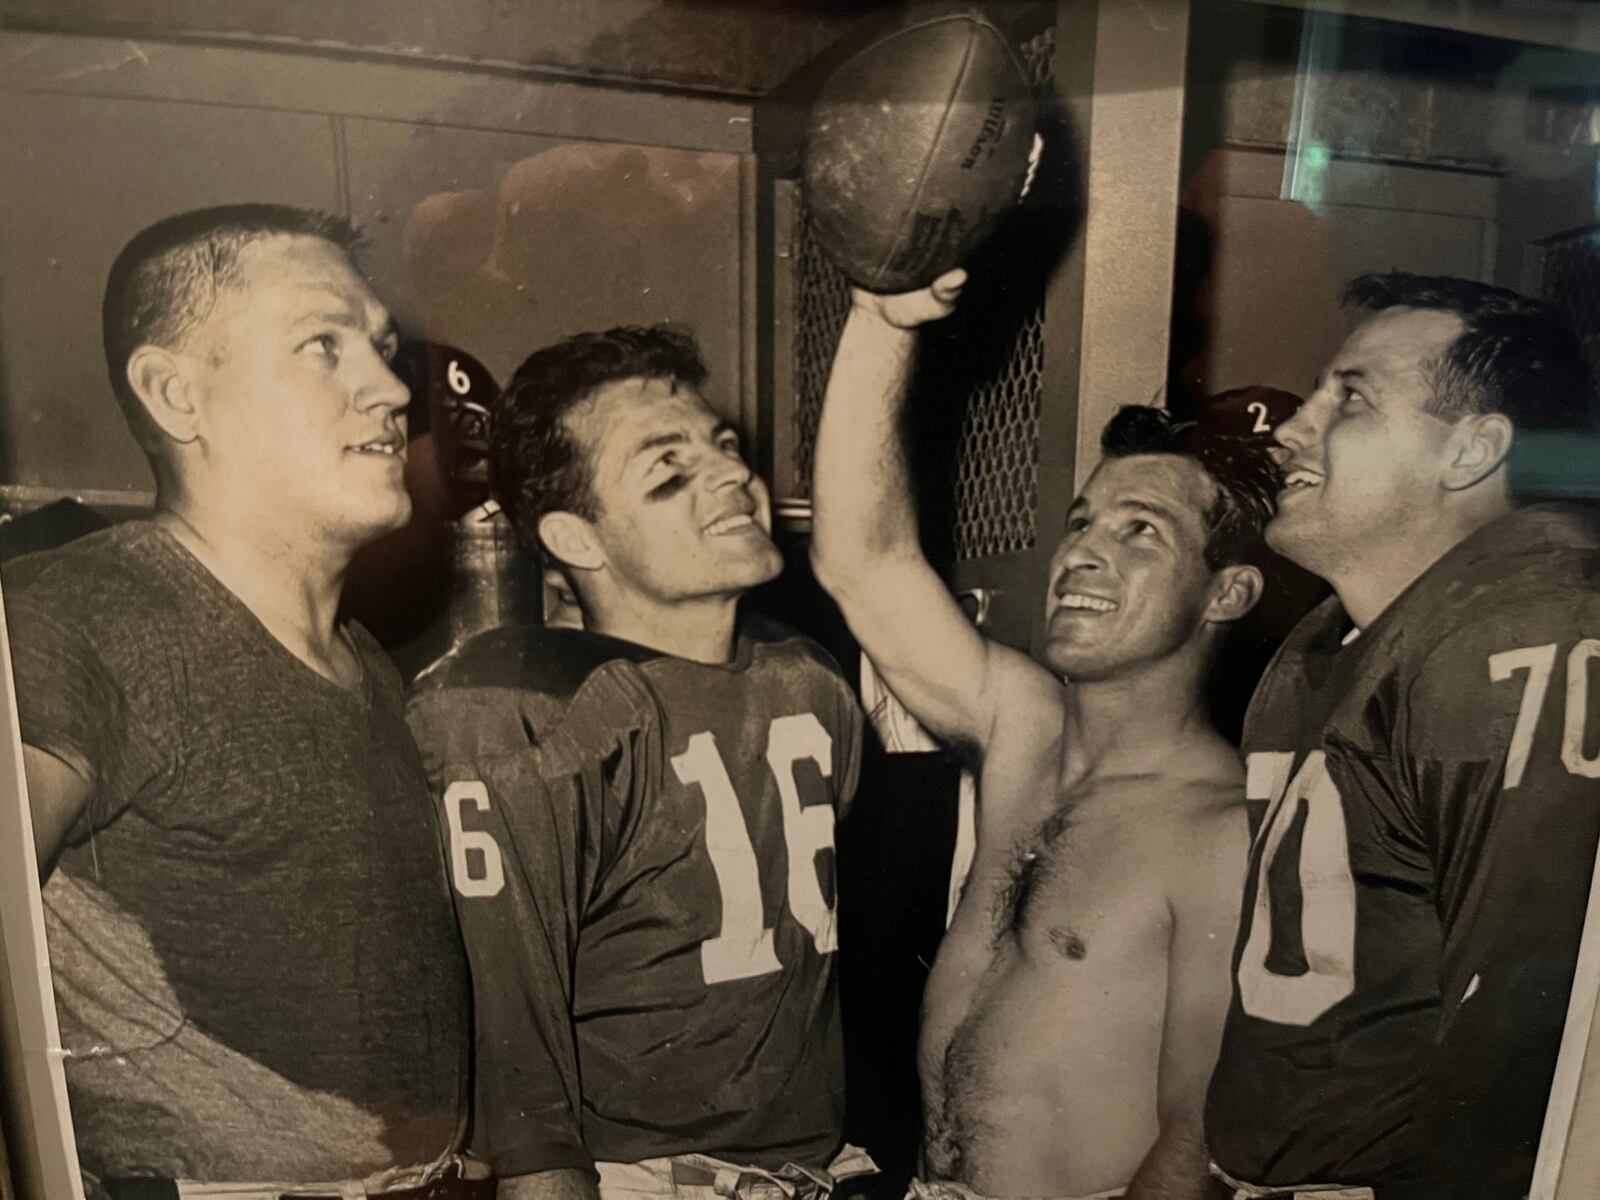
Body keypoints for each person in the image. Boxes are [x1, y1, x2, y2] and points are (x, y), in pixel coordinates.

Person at [3, 205, 478, 1197]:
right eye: (324, 345)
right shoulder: (70, 617)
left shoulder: (363, 660)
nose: (392, 389)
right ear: (178, 394)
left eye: (383, 350)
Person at [810, 271, 1283, 1200]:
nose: (1081, 553)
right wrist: (880, 320)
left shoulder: (1223, 832)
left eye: (1140, 530)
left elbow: (1193, 1147)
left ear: (1225, 593)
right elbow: (861, 561)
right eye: (1083, 522)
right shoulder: (1022, 723)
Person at [405, 326, 870, 1200]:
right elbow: (517, 1061)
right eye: (669, 472)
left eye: (723, 447)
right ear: (579, 540)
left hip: (811, 1171)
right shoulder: (521, 710)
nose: (733, 474)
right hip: (635, 1177)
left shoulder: (808, 680)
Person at [1204, 273, 1600, 1200]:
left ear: (1472, 450)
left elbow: (1531, 1051)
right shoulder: (1337, 633)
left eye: (1350, 397)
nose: (1291, 430)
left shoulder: (1529, 623)